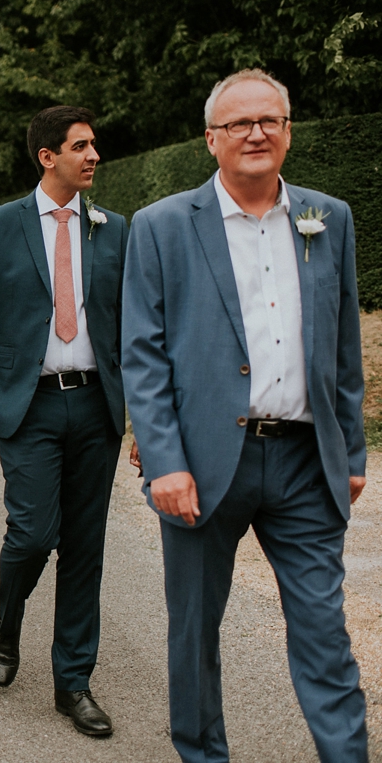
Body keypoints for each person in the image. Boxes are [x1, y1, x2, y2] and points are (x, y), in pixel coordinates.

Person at [121, 69, 368, 762]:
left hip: (303, 462)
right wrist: (163, 459)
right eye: (239, 124)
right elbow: (141, 352)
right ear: (211, 139)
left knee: (325, 632)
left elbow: (344, 345)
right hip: (200, 463)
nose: (256, 133)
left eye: (270, 120)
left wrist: (350, 453)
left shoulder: (329, 217)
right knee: (195, 633)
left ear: (288, 131)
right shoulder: (163, 226)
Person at [0, 106, 128, 736]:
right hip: (30, 405)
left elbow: (137, 328)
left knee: (85, 551)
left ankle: (74, 683)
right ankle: (8, 614)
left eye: (94, 145)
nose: (94, 155)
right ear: (48, 157)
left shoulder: (113, 228)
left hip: (97, 406)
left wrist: (148, 419)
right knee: (34, 534)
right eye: (81, 146)